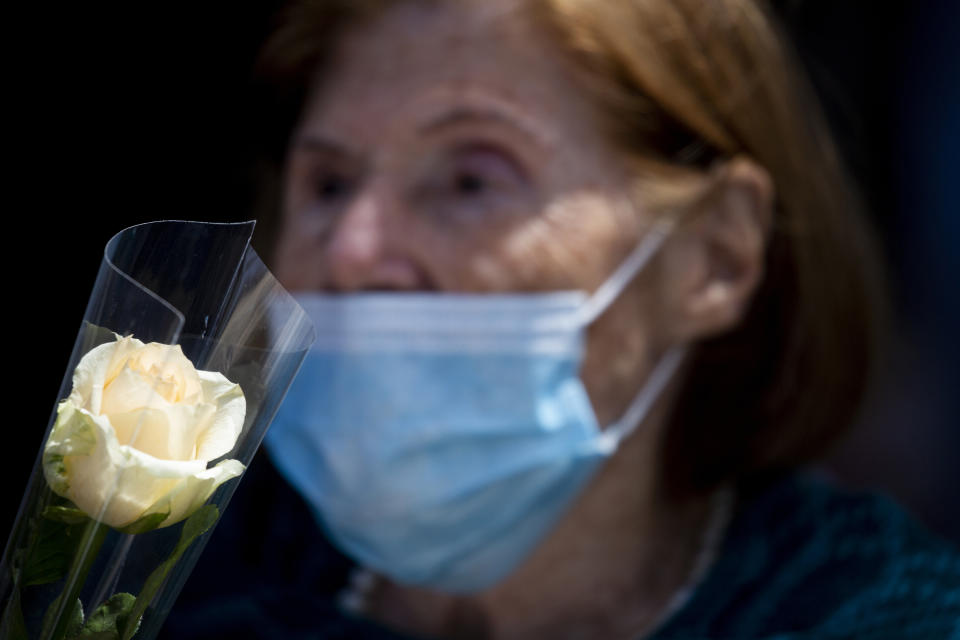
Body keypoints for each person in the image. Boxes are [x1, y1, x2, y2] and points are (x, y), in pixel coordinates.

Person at [166, 0, 960, 638]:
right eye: (329, 184)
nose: (351, 249)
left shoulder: (865, 610)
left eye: (472, 179)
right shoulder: (168, 573)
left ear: (714, 256)